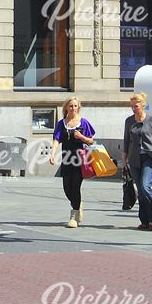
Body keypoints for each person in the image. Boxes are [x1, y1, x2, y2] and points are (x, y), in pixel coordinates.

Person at [122, 93, 152, 231]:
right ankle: (144, 220)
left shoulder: (151, 120)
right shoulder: (129, 121)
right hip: (134, 158)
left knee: (145, 187)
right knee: (141, 190)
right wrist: (124, 158)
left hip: (150, 156)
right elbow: (126, 140)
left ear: (143, 105)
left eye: (136, 106)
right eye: (132, 106)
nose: (133, 109)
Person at [49, 97, 96, 228]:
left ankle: (74, 216)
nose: (73, 109)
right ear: (66, 108)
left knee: (75, 187)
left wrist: (81, 137)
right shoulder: (61, 123)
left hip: (80, 160)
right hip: (66, 159)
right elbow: (57, 140)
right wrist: (53, 154)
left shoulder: (83, 122)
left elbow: (91, 141)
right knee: (67, 188)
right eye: (71, 106)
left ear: (78, 108)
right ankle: (77, 204)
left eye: (75, 106)